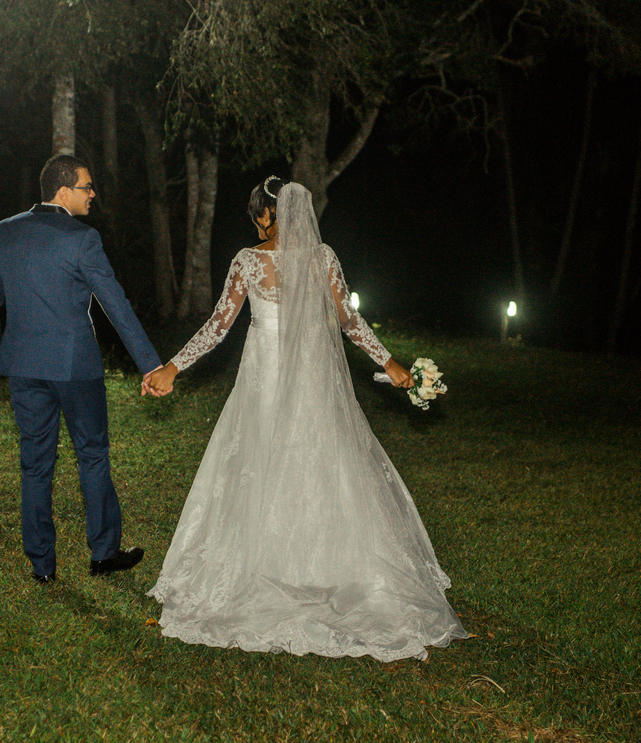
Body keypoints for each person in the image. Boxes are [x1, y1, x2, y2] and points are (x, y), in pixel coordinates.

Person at [142, 178, 468, 662]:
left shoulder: (250, 261)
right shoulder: (323, 258)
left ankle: (274, 569)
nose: (257, 222)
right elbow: (350, 322)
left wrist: (172, 367)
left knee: (267, 468)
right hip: (312, 381)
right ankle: (315, 569)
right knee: (316, 468)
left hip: (267, 384)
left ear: (266, 215)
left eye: (258, 214)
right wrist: (390, 362)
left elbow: (218, 326)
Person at [0, 154, 164, 585]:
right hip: (74, 366)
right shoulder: (82, 239)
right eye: (87, 187)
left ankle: (43, 566)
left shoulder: (6, 231)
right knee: (92, 455)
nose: (93, 194)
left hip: (22, 365)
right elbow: (116, 305)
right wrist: (151, 364)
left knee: (35, 464)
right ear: (64, 191)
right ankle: (103, 554)